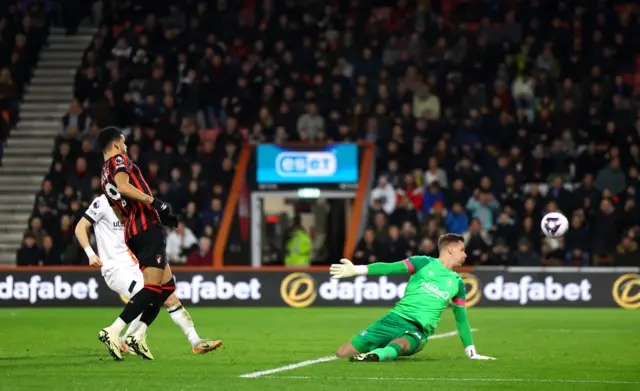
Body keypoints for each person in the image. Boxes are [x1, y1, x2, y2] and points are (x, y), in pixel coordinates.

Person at [75, 194, 222, 356]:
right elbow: (80, 227)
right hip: (115, 268)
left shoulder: (131, 203)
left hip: (135, 264)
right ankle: (122, 335)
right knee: (148, 295)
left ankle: (195, 341)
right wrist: (90, 253)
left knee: (167, 295)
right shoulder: (101, 203)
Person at [330, 233, 495, 362]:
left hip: (418, 330)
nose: (465, 255)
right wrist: (357, 270)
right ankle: (373, 354)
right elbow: (390, 268)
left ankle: (375, 356)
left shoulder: (458, 283)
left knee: (401, 344)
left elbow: (461, 319)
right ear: (450, 249)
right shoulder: (423, 262)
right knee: (342, 353)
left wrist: (471, 351)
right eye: (462, 250)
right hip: (393, 319)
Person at [95, 127, 179, 360]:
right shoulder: (119, 160)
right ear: (114, 144)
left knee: (166, 288)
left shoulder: (103, 175)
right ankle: (114, 330)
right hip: (145, 227)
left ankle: (138, 335)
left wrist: (136, 219)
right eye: (123, 141)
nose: (126, 145)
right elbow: (123, 187)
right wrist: (155, 203)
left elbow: (120, 213)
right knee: (153, 289)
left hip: (132, 230)